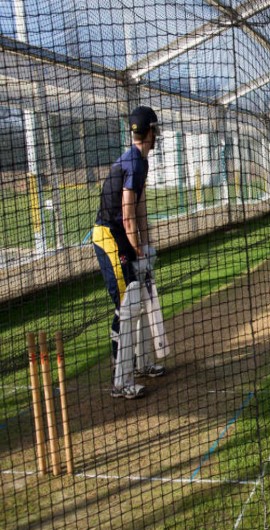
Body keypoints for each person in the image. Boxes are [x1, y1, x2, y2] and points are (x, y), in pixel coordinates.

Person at [92, 106, 166, 400]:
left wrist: (145, 247)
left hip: (122, 236)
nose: (156, 135)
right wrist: (138, 250)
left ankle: (143, 363)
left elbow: (140, 208)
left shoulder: (140, 162)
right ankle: (120, 381)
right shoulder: (134, 163)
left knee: (139, 298)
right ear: (150, 132)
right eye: (155, 130)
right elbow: (127, 214)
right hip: (110, 237)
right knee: (128, 303)